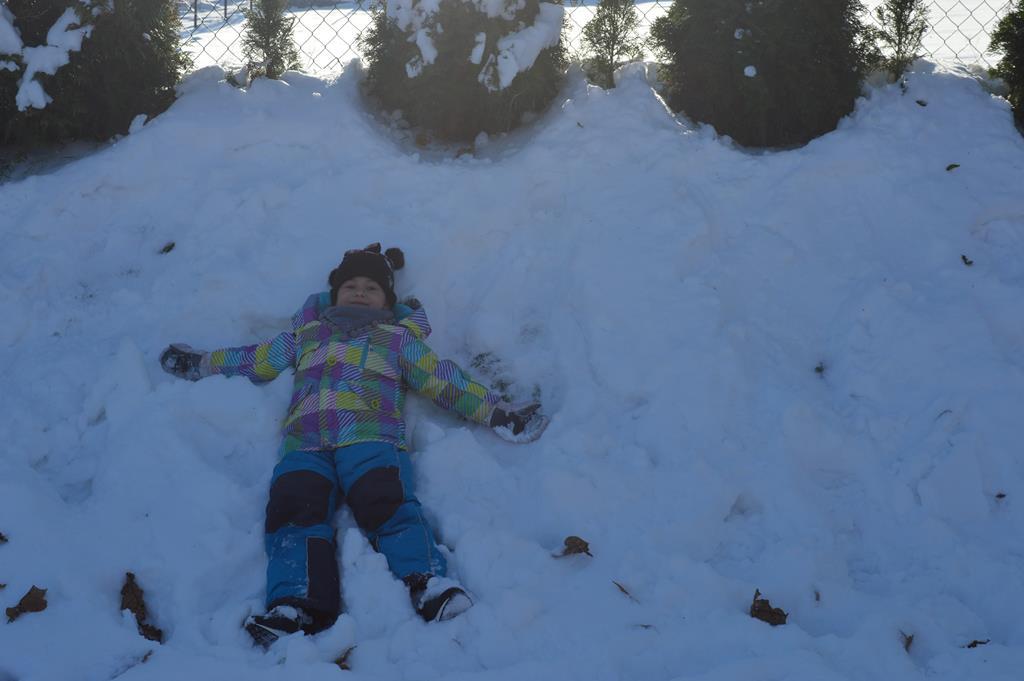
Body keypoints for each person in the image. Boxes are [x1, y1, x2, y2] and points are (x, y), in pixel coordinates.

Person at [159, 243, 549, 648]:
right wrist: (201, 363)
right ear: (334, 294)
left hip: (370, 439)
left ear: (387, 301)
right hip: (305, 446)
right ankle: (296, 604)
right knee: (292, 515)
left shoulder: (397, 339)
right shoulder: (306, 334)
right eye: (350, 286)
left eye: (372, 288)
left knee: (388, 506)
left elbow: (443, 380)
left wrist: (497, 412)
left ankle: (427, 581)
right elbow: (255, 360)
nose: (360, 292)